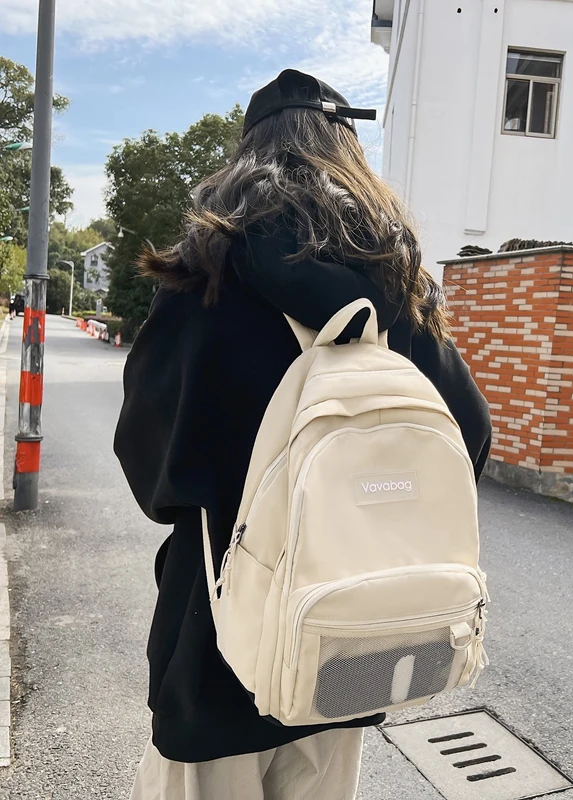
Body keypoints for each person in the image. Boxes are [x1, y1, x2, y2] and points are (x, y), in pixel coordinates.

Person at [114, 69, 492, 800]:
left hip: (218, 641)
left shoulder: (207, 275)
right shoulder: (397, 289)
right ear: (347, 154)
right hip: (345, 646)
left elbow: (150, 462)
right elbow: (468, 434)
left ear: (248, 154)